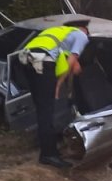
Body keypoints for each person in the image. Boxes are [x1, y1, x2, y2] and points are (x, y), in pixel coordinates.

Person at [19, 19, 91, 168]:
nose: (87, 38)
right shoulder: (81, 35)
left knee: (41, 108)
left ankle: (48, 148)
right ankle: (48, 155)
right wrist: (58, 84)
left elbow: (64, 60)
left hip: (25, 60)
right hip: (43, 63)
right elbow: (72, 60)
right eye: (88, 34)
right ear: (83, 29)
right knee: (46, 110)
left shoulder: (55, 32)